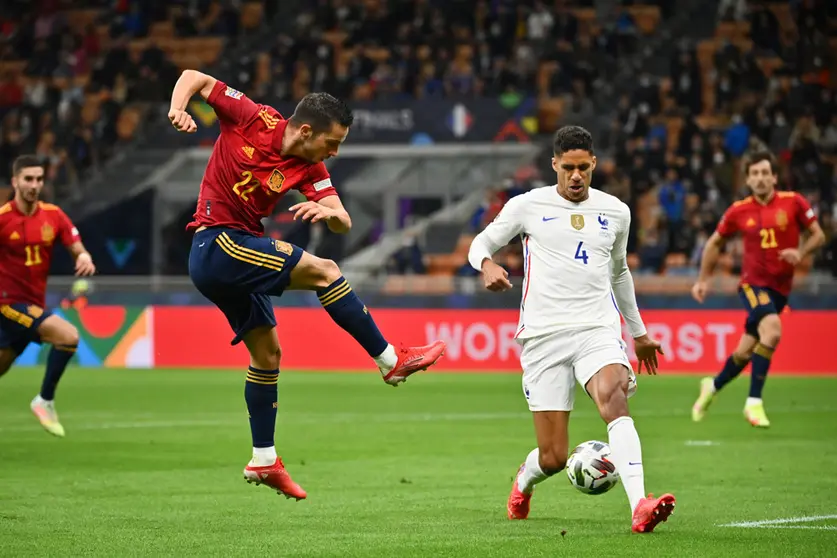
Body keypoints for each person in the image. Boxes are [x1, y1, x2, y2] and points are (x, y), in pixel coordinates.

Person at [167, 70, 446, 500]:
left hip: (237, 250)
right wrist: (178, 107)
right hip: (216, 241)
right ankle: (390, 359)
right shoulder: (251, 118)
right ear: (305, 129)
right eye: (332, 143)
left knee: (268, 354)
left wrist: (329, 214)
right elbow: (194, 78)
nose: (334, 153)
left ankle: (263, 459)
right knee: (326, 271)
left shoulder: (309, 167)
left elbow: (342, 216)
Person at [468, 126, 675, 533]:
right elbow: (481, 243)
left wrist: (638, 332)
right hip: (543, 337)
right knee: (553, 457)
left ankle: (640, 505)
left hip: (596, 328)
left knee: (613, 396)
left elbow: (619, 272)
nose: (576, 176)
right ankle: (524, 482)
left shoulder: (616, 211)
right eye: (568, 168)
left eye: (583, 167)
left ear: (594, 164)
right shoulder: (527, 205)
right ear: (554, 166)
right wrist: (487, 265)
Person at [690, 150, 825, 427]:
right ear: (748, 180)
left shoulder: (794, 202)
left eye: (765, 173)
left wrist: (800, 252)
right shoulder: (739, 210)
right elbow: (715, 243)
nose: (761, 178)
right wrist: (703, 279)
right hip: (752, 285)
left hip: (780, 290)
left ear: (775, 177)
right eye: (755, 174)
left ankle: (711, 387)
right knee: (773, 330)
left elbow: (819, 235)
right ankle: (754, 403)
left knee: (744, 352)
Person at [0, 155, 96, 437]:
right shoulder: (3, 219)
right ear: (15, 181)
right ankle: (44, 401)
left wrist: (85, 257)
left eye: (39, 179)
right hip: (7, 303)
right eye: (28, 179)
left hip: (32, 305)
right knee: (68, 337)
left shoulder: (53, 215)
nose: (34, 185)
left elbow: (75, 245)